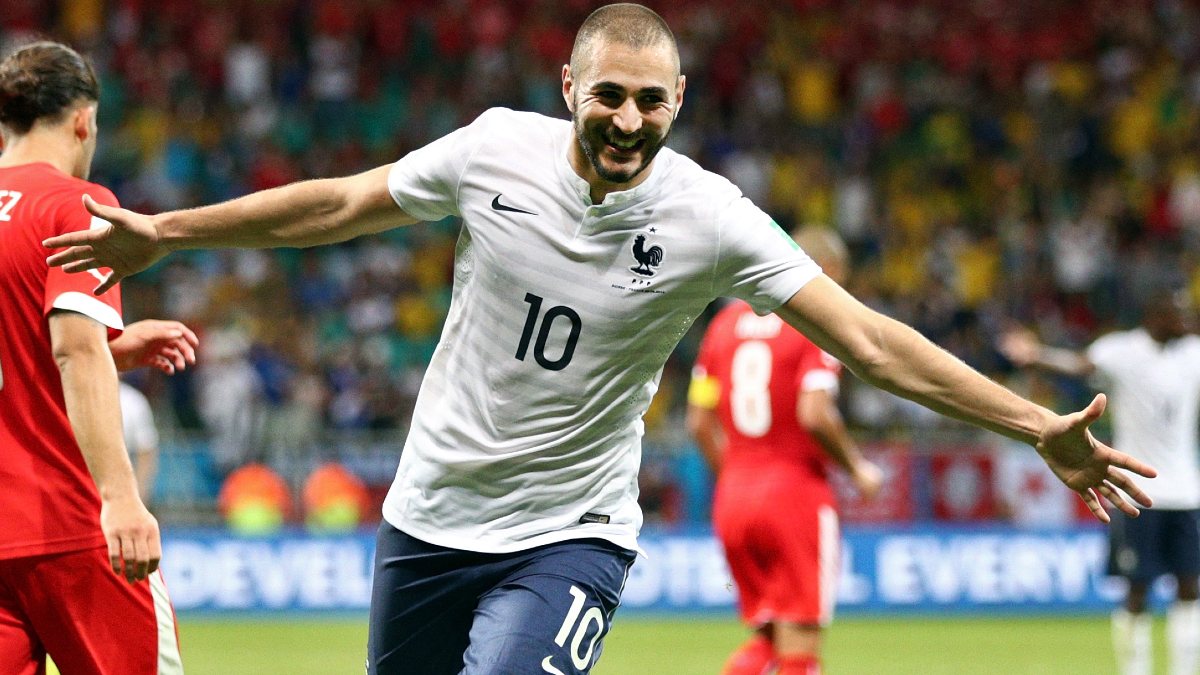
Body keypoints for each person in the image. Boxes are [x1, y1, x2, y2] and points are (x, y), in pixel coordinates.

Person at [45, 5, 1155, 673]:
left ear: (680, 103)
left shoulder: (711, 217)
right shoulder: (493, 152)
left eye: (653, 103)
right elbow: (339, 204)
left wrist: (1033, 425)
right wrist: (171, 235)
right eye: (610, 95)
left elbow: (867, 341)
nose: (628, 121)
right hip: (426, 523)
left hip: (569, 533)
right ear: (569, 86)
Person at [0, 41, 196, 674]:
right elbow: (73, 348)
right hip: (72, 524)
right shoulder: (73, 204)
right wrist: (121, 497)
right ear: (83, 119)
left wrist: (115, 347)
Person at [687, 226, 882, 675]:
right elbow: (814, 413)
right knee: (800, 647)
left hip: (734, 498)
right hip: (794, 494)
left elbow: (698, 421)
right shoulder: (815, 325)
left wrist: (736, 474)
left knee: (768, 637)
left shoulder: (723, 325)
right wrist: (857, 468)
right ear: (825, 270)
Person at [1001, 289, 1200, 675]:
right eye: (1177, 312)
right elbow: (1079, 366)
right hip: (1137, 491)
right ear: (1154, 314)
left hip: (1187, 492)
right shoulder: (1123, 351)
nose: (1186, 318)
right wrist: (1034, 355)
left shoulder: (1194, 351)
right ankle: (1135, 671)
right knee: (1137, 590)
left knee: (1191, 587)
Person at [120, 379, 160, 503]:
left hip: (120, 491)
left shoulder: (133, 401)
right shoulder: (75, 393)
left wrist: (140, 497)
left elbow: (146, 453)